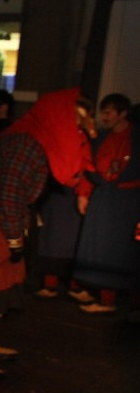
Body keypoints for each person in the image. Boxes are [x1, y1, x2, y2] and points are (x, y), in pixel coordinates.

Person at [0, 87, 95, 377]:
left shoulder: (40, 141)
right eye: (75, 124)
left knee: (5, 280)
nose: (77, 133)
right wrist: (15, 239)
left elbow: (71, 167)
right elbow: (11, 194)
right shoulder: (28, 143)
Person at [71, 93, 140, 313]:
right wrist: (84, 192)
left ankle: (110, 299)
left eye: (109, 112)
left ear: (122, 113)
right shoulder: (101, 137)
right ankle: (95, 289)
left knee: (118, 247)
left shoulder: (136, 137)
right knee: (97, 244)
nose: (104, 117)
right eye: (103, 112)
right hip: (103, 196)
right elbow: (89, 165)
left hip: (126, 199)